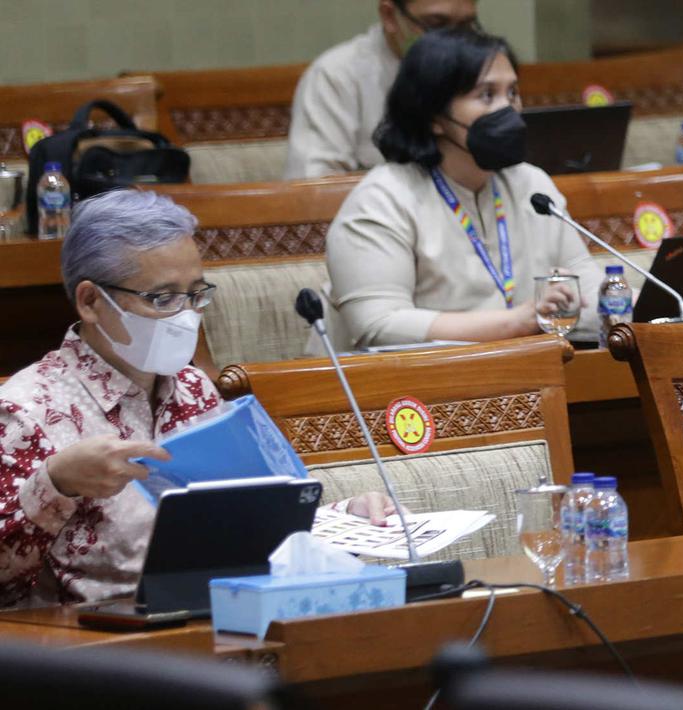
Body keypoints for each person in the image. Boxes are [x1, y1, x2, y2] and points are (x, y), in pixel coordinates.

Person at [0, 190, 391, 608]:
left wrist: (342, 519)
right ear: (92, 301)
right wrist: (56, 483)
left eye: (197, 294)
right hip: (91, 645)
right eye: (163, 298)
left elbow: (247, 520)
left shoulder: (194, 390)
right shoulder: (25, 410)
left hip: (210, 615)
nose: (187, 315)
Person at [324, 28, 603, 347]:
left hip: (527, 376)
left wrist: (642, 301)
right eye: (487, 95)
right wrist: (513, 323)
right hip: (412, 388)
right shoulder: (382, 200)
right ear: (433, 116)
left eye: (512, 92)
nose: (507, 108)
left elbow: (589, 288)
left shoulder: (532, 185)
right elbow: (377, 324)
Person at [284, 0, 480, 179]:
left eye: (465, 26)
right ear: (389, 16)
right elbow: (313, 190)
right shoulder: (336, 76)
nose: (453, 42)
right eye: (437, 24)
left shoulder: (487, 75)